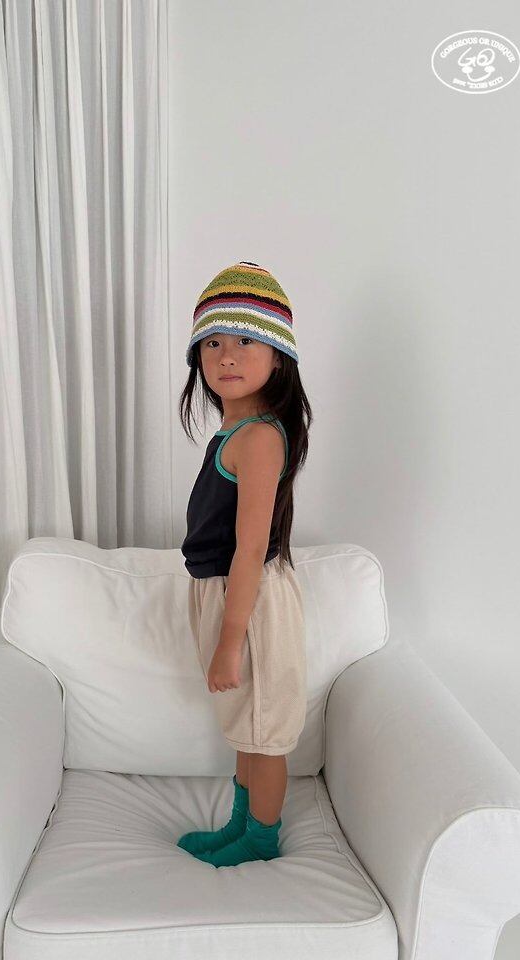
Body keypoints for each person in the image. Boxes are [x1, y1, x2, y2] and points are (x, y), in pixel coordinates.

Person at [176, 260, 312, 867]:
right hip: (227, 593)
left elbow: (251, 548)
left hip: (251, 601)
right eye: (213, 343)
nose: (226, 356)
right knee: (245, 725)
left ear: (278, 357)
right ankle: (239, 824)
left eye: (245, 341)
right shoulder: (232, 435)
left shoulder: (260, 438)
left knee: (264, 732)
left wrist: (231, 640)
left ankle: (260, 839)